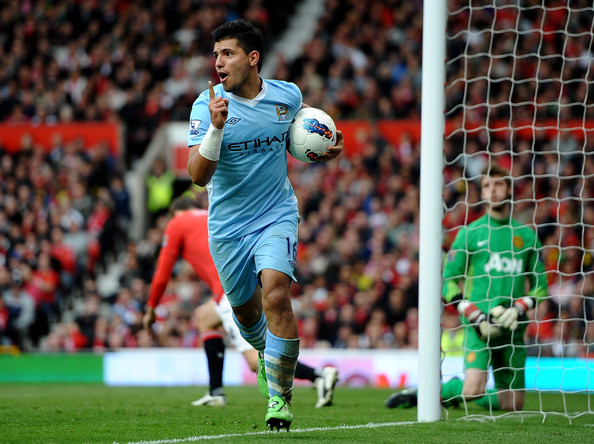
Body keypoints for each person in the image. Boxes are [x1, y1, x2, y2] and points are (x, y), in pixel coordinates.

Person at [186, 19, 343, 430]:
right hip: (227, 228)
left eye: (228, 53)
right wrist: (217, 129)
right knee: (246, 313)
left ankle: (281, 397)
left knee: (275, 291)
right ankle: (267, 361)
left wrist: (325, 141)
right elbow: (198, 176)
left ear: (252, 58)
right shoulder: (207, 106)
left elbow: (304, 118)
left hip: (276, 213)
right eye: (216, 54)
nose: (218, 62)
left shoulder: (286, 95)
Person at [142, 197, 339, 409]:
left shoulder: (177, 222)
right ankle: (215, 392)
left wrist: (151, 308)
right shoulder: (211, 216)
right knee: (205, 318)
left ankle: (318, 375)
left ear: (175, 213)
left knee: (256, 360)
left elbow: (163, 271)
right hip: (249, 282)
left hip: (231, 292)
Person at [386, 164, 548, 411]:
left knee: (513, 404)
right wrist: (472, 313)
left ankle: (448, 394)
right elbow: (448, 279)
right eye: (486, 186)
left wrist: (518, 308)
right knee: (473, 389)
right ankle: (442, 391)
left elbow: (540, 287)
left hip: (512, 326)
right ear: (481, 193)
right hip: (479, 325)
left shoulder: (526, 237)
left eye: (498, 185)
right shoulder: (470, 233)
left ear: (509, 189)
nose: (492, 191)